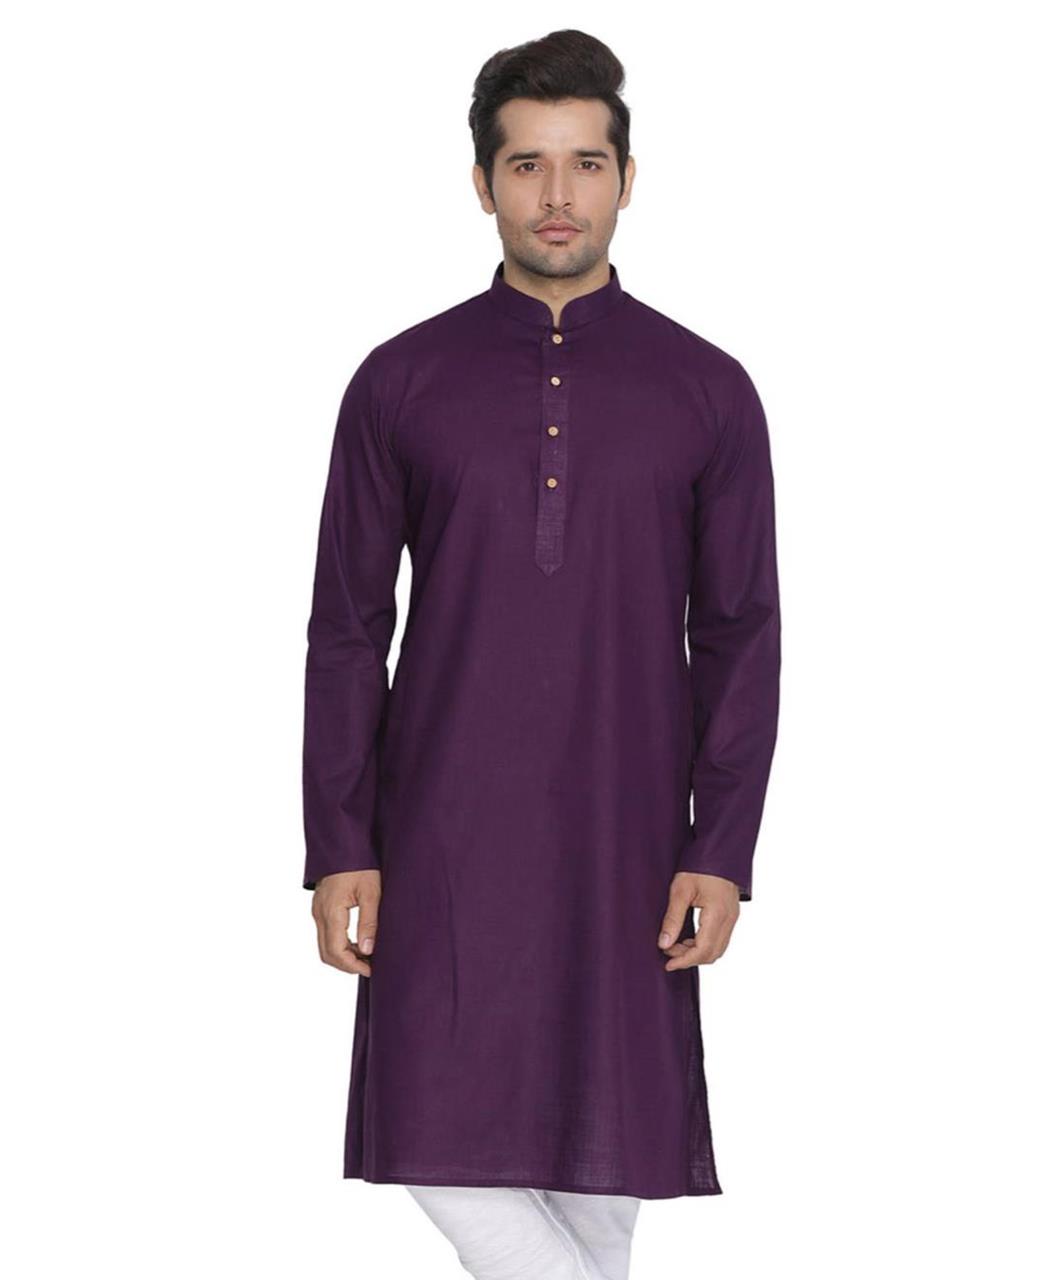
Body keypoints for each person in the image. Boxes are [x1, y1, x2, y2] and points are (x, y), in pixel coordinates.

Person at [302, 27, 781, 1279]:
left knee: (602, 1160)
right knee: (434, 1136)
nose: (556, 194)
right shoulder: (400, 380)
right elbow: (347, 626)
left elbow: (740, 633)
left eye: (583, 163)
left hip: (627, 828)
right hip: (439, 830)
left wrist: (720, 844)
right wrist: (340, 839)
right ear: (482, 184)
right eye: (525, 164)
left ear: (628, 178)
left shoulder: (706, 388)